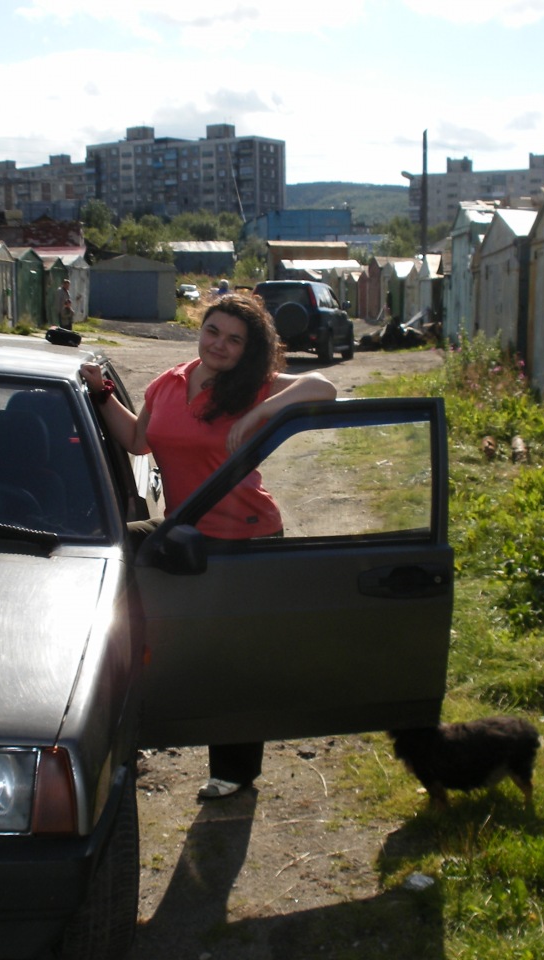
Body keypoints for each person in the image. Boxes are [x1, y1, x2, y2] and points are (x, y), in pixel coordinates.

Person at [80, 293, 337, 800]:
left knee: (234, 658)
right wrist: (101, 392)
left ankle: (234, 772)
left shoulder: (253, 386)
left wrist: (262, 411)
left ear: (248, 350)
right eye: (213, 331)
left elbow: (323, 387)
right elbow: (137, 440)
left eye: (234, 340)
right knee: (109, 555)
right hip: (186, 529)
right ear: (200, 331)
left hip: (247, 536)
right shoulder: (168, 382)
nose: (219, 344)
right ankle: (121, 714)